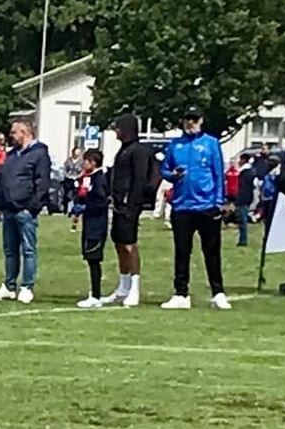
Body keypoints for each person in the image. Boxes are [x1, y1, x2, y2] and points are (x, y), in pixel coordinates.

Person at [159, 105, 230, 310]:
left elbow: (218, 175)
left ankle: (218, 292)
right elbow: (164, 170)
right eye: (187, 119)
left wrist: (219, 202)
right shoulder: (175, 145)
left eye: (194, 119)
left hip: (207, 205)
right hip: (182, 206)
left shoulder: (211, 144)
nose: (191, 123)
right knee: (182, 251)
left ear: (201, 121)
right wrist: (173, 175)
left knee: (212, 251)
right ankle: (181, 293)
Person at [0, 119, 50, 304]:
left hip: (25, 210)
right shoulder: (12, 155)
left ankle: (27, 286)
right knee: (10, 250)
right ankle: (9, 285)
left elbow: (42, 182)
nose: (11, 136)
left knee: (28, 250)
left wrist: (33, 206)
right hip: (9, 209)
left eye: (14, 132)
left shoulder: (39, 154)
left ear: (25, 132)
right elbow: (4, 180)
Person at [104, 113, 158, 306]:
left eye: (118, 128)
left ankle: (134, 287)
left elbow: (139, 179)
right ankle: (123, 286)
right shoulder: (123, 151)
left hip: (130, 205)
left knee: (129, 245)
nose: (116, 132)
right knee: (119, 244)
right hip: (118, 203)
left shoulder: (138, 151)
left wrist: (133, 203)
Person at [73, 150, 111, 308]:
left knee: (94, 258)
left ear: (94, 163)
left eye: (86, 161)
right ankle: (94, 293)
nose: (83, 163)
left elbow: (102, 201)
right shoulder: (87, 178)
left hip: (97, 224)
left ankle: (96, 295)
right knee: (89, 257)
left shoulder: (100, 178)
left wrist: (85, 207)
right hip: (89, 224)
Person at [234, 152, 256, 247]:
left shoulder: (244, 173)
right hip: (248, 197)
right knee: (243, 218)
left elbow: (242, 187)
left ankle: (243, 240)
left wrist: (238, 199)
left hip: (243, 198)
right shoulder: (251, 171)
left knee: (242, 221)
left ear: (243, 160)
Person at [63, 147, 84, 232]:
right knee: (67, 195)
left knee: (75, 196)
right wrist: (68, 176)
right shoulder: (68, 161)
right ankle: (67, 210)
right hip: (68, 180)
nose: (77, 154)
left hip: (77, 181)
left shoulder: (81, 162)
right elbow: (65, 169)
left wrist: (77, 177)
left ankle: (74, 211)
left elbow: (82, 171)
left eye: (79, 152)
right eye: (76, 152)